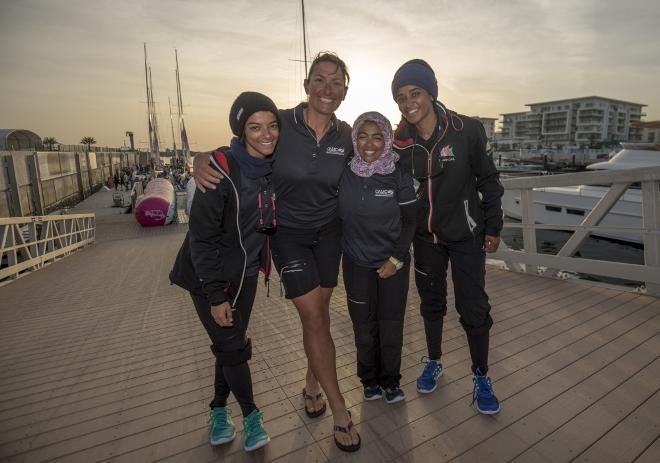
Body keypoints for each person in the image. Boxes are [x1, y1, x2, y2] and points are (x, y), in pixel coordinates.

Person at [192, 52, 360, 452]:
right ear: (306, 85)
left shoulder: (347, 135)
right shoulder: (282, 122)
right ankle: (340, 410)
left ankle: (311, 381)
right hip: (288, 236)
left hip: (330, 234)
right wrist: (200, 159)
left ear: (345, 91)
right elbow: (243, 143)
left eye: (336, 83)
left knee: (316, 315)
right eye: (319, 80)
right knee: (315, 317)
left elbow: (376, 163)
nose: (327, 89)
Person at [390, 59, 504, 414]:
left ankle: (481, 374)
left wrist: (493, 225)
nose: (409, 102)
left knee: (473, 306)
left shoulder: (465, 129)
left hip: (466, 236)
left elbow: (488, 180)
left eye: (416, 92)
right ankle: (434, 360)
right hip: (425, 240)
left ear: (431, 93)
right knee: (431, 303)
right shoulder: (399, 144)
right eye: (401, 96)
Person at [169, 91, 278, 452]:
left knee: (227, 346)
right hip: (206, 278)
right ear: (241, 130)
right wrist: (216, 295)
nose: (266, 134)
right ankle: (251, 415)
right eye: (255, 126)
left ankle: (218, 409)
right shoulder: (220, 171)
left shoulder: (272, 167)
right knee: (232, 345)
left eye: (272, 125)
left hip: (245, 276)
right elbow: (200, 239)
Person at [338, 111, 416, 404]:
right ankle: (369, 380)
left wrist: (395, 260)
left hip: (392, 265)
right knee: (363, 327)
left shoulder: (398, 175)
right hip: (356, 263)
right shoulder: (344, 171)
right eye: (363, 135)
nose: (369, 143)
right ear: (355, 138)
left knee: (391, 324)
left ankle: (391, 381)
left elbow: (410, 221)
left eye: (377, 136)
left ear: (387, 140)